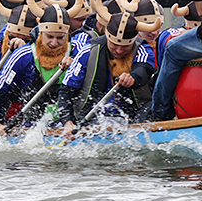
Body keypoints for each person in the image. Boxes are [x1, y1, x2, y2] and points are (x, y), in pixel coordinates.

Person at [0, 0, 84, 133]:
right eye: (49, 37)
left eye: (60, 38)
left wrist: (76, 63)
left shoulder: (78, 51)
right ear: (41, 33)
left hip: (70, 123)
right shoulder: (23, 55)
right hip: (33, 126)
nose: (54, 43)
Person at [57, 7, 160, 139]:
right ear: (107, 35)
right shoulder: (87, 53)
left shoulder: (143, 49)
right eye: (114, 44)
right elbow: (66, 91)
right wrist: (68, 121)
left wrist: (133, 78)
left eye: (125, 47)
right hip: (92, 117)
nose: (119, 50)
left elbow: (144, 68)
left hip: (134, 115)